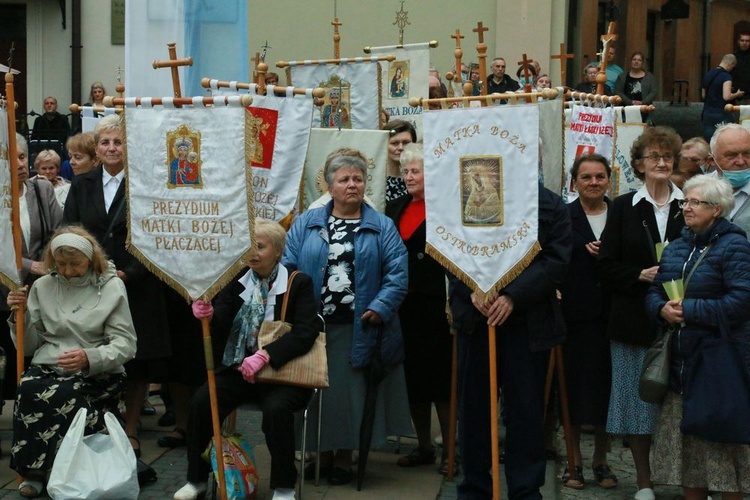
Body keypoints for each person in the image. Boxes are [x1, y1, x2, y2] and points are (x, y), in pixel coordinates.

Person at [283, 148, 411, 486]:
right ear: (329, 185)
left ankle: (343, 458)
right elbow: (288, 268)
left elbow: (398, 274)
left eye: (358, 179)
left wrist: (380, 307)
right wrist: (293, 310)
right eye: (344, 179)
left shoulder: (382, 226)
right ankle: (319, 456)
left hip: (359, 327)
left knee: (348, 398)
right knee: (316, 394)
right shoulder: (306, 223)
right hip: (314, 328)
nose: (352, 185)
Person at [173, 219, 319, 500]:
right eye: (249, 246)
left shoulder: (298, 282)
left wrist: (266, 355)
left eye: (260, 247)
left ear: (277, 251)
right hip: (240, 368)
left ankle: (284, 486)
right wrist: (208, 314)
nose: (253, 252)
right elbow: (223, 324)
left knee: (277, 412)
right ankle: (197, 480)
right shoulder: (236, 280)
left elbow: (306, 331)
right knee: (203, 401)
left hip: (282, 372)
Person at [449, 183, 572, 499]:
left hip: (529, 322)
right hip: (477, 320)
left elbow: (556, 260)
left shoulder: (551, 204)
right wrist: (472, 289)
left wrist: (514, 296)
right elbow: (447, 245)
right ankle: (475, 487)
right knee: (474, 410)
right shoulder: (466, 194)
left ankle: (525, 489)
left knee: (526, 411)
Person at [63, 114, 171, 459]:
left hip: (136, 284)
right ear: (96, 149)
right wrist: (87, 269)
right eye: (105, 142)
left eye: (118, 141)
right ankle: (94, 424)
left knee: (135, 359)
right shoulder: (82, 184)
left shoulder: (145, 183)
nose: (112, 148)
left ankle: (131, 427)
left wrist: (127, 274)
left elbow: (156, 236)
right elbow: (70, 229)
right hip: (89, 282)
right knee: (94, 353)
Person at [5, 226, 136, 498]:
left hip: (97, 369)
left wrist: (90, 357)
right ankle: (34, 471)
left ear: (90, 260)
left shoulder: (111, 286)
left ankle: (65, 471)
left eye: (75, 264)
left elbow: (126, 344)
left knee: (67, 394)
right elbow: (28, 346)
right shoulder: (43, 285)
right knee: (28, 388)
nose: (66, 271)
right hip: (49, 364)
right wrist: (21, 315)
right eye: (60, 264)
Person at [645, 175, 750, 500]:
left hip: (717, 367)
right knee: (687, 461)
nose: (686, 208)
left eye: (694, 202)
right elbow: (653, 290)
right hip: (679, 369)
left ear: (716, 209)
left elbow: (742, 300)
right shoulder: (677, 246)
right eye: (684, 202)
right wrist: (661, 310)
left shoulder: (735, 246)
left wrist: (690, 310)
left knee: (724, 459)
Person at [598, 126, 686, 500]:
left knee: (683, 407)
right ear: (639, 164)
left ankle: (688, 480)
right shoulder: (622, 207)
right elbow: (605, 266)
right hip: (633, 319)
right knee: (637, 405)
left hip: (684, 319)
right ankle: (645, 483)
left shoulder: (690, 202)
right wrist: (638, 275)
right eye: (654, 157)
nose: (662, 162)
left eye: (667, 156)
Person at [385, 144, 455, 476]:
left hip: (437, 306)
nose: (409, 177)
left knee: (441, 380)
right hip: (404, 306)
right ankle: (424, 446)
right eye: (405, 171)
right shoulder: (394, 206)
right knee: (413, 379)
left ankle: (451, 451)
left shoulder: (446, 208)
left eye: (416, 171)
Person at [559, 153, 616, 490]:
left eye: (600, 176)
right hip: (573, 316)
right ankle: (574, 460)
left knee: (606, 390)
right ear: (574, 183)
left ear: (609, 179)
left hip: (611, 315)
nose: (594, 183)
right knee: (572, 389)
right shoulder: (564, 216)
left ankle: (601, 460)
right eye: (586, 177)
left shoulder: (622, 214)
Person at [0, 134, 63, 407]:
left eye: (23, 157)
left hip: (38, 288)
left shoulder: (41, 189)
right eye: (11, 159)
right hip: (3, 289)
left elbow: (58, 231)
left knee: (29, 355)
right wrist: (29, 264)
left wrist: (49, 260)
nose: (20, 164)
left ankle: (30, 416)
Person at [710, 123, 750, 233]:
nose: (741, 161)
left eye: (747, 154)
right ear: (713, 160)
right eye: (731, 155)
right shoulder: (698, 191)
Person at [701, 54, 744, 142]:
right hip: (721, 112)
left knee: (710, 138)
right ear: (730, 64)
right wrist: (737, 94)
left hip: (707, 112)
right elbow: (726, 97)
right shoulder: (726, 76)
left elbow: (703, 95)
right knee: (726, 137)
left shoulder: (708, 74)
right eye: (733, 67)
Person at [383, 119, 417, 202]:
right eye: (394, 143)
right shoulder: (375, 178)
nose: (401, 148)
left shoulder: (421, 178)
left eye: (406, 143)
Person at [732, 31, 750, 103]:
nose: (744, 43)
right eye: (742, 40)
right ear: (738, 41)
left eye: (747, 41)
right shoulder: (734, 57)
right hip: (737, 95)